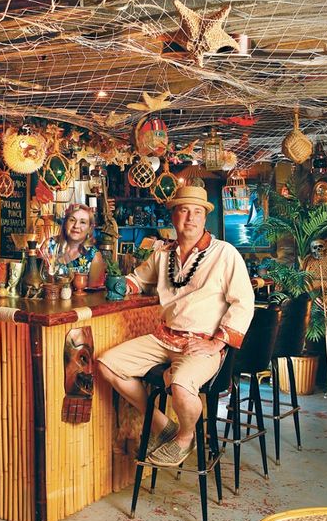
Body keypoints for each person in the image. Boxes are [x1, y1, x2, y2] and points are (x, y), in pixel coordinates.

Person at [97, 185, 255, 467]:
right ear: (173, 216)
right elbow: (137, 280)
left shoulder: (224, 253)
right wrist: (118, 284)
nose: (190, 218)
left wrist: (216, 343)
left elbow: (244, 302)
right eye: (184, 211)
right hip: (163, 339)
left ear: (205, 218)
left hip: (201, 343)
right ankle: (161, 425)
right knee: (107, 364)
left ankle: (184, 437)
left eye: (197, 212)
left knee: (181, 387)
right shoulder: (163, 254)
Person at [44, 203, 106, 288]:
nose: (76, 226)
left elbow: (95, 295)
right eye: (72, 220)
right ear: (65, 222)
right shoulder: (49, 246)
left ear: (90, 228)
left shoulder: (94, 256)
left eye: (83, 222)